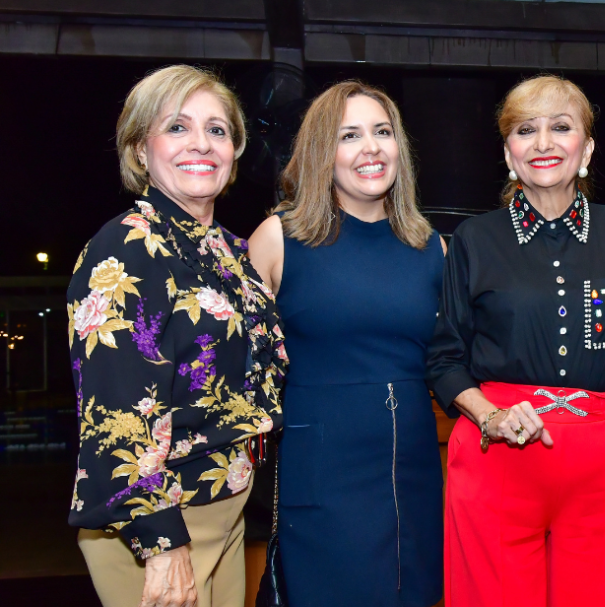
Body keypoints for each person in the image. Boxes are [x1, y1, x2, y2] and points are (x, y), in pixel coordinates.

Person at [425, 74, 605, 607]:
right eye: (525, 130)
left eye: (560, 127)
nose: (542, 143)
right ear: (508, 152)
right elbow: (445, 359)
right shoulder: (474, 239)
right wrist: (490, 415)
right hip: (497, 460)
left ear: (585, 147)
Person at [67, 64, 286, 607]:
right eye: (177, 127)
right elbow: (115, 416)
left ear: (235, 150)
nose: (201, 144)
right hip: (157, 521)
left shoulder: (228, 251)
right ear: (141, 149)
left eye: (217, 130)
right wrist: (162, 542)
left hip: (226, 504)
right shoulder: (125, 248)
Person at [247, 81, 445, 606]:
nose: (371, 148)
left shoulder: (432, 248)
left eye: (382, 132)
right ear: (321, 152)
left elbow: (453, 359)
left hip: (414, 469)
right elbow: (237, 365)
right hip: (323, 474)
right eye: (349, 135)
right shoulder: (278, 238)